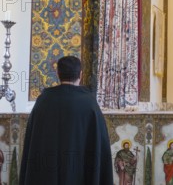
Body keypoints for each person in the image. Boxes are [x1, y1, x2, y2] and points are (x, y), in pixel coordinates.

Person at [19, 55, 113, 185]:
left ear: (58, 73)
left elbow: (32, 142)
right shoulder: (89, 103)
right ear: (80, 74)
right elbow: (100, 143)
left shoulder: (43, 101)